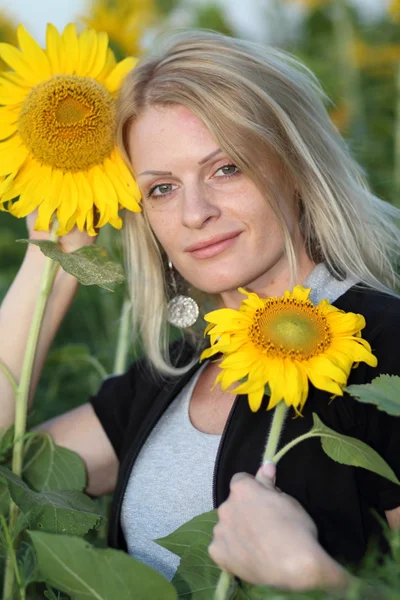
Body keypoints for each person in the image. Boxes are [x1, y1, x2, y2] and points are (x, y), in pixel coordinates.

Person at [1, 30, 400, 592]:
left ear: (293, 166)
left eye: (226, 168)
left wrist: (313, 579)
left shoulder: (385, 349)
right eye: (161, 188)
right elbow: (12, 465)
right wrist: (53, 261)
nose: (194, 213)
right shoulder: (174, 373)